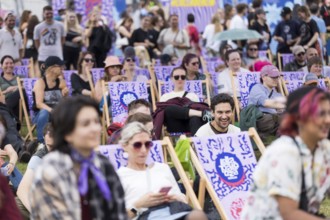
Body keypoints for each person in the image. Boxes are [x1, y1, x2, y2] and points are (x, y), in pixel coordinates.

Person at [29, 96, 128, 219]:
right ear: (67, 132)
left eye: (96, 121)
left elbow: (119, 212)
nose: (95, 128)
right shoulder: (50, 169)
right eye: (85, 124)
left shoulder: (103, 164)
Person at [241, 86, 330, 219]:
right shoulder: (285, 152)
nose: (328, 120)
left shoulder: (323, 147)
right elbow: (289, 214)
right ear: (299, 118)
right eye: (320, 114)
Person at [117, 122, 207, 220]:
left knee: (197, 216)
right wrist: (138, 205)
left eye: (147, 144)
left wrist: (175, 198)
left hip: (174, 211)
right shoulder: (119, 176)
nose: (143, 150)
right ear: (124, 146)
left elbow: (183, 200)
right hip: (144, 216)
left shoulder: (162, 168)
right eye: (137, 145)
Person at [156, 67, 211, 136]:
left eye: (183, 77)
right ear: (172, 79)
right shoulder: (165, 96)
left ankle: (196, 143)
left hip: (189, 124)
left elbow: (197, 107)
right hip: (174, 124)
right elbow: (162, 113)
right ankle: (203, 114)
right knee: (169, 108)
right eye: (176, 77)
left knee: (195, 118)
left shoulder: (192, 95)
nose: (180, 79)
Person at [16, 124, 53, 219]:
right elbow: (22, 190)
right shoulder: (39, 157)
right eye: (50, 146)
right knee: (15, 206)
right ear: (44, 140)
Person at [32, 56, 69, 143]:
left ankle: (67, 140)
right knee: (45, 112)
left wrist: (65, 95)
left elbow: (64, 101)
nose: (62, 68)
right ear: (52, 68)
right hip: (41, 116)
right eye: (60, 66)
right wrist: (52, 110)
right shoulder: (41, 82)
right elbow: (39, 104)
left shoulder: (60, 81)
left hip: (57, 114)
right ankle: (41, 142)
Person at [248, 65, 286, 140]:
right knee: (274, 118)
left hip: (273, 120)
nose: (276, 80)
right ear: (264, 77)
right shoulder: (257, 88)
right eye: (273, 77)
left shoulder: (277, 93)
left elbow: (281, 109)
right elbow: (266, 103)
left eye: (277, 77)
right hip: (258, 119)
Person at [34, 6, 65, 71]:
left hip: (57, 56)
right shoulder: (38, 27)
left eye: (51, 13)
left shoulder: (60, 25)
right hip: (43, 57)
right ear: (43, 14)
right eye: (47, 14)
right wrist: (41, 49)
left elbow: (62, 39)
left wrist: (58, 48)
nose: (49, 15)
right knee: (44, 77)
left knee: (58, 76)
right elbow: (36, 41)